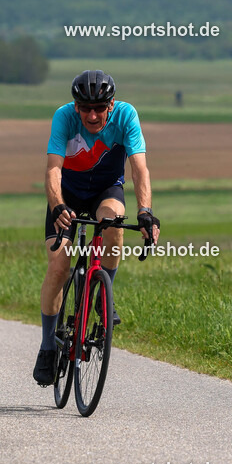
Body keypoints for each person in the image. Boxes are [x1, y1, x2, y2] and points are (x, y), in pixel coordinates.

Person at [33, 70, 160, 386]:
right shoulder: (64, 117)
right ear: (76, 106)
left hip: (107, 190)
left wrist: (145, 212)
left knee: (113, 222)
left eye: (99, 108)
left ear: (111, 105)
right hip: (69, 195)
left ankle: (104, 297)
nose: (92, 115)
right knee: (59, 267)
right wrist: (58, 205)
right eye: (85, 108)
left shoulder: (126, 116)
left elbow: (139, 168)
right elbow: (52, 169)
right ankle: (48, 346)